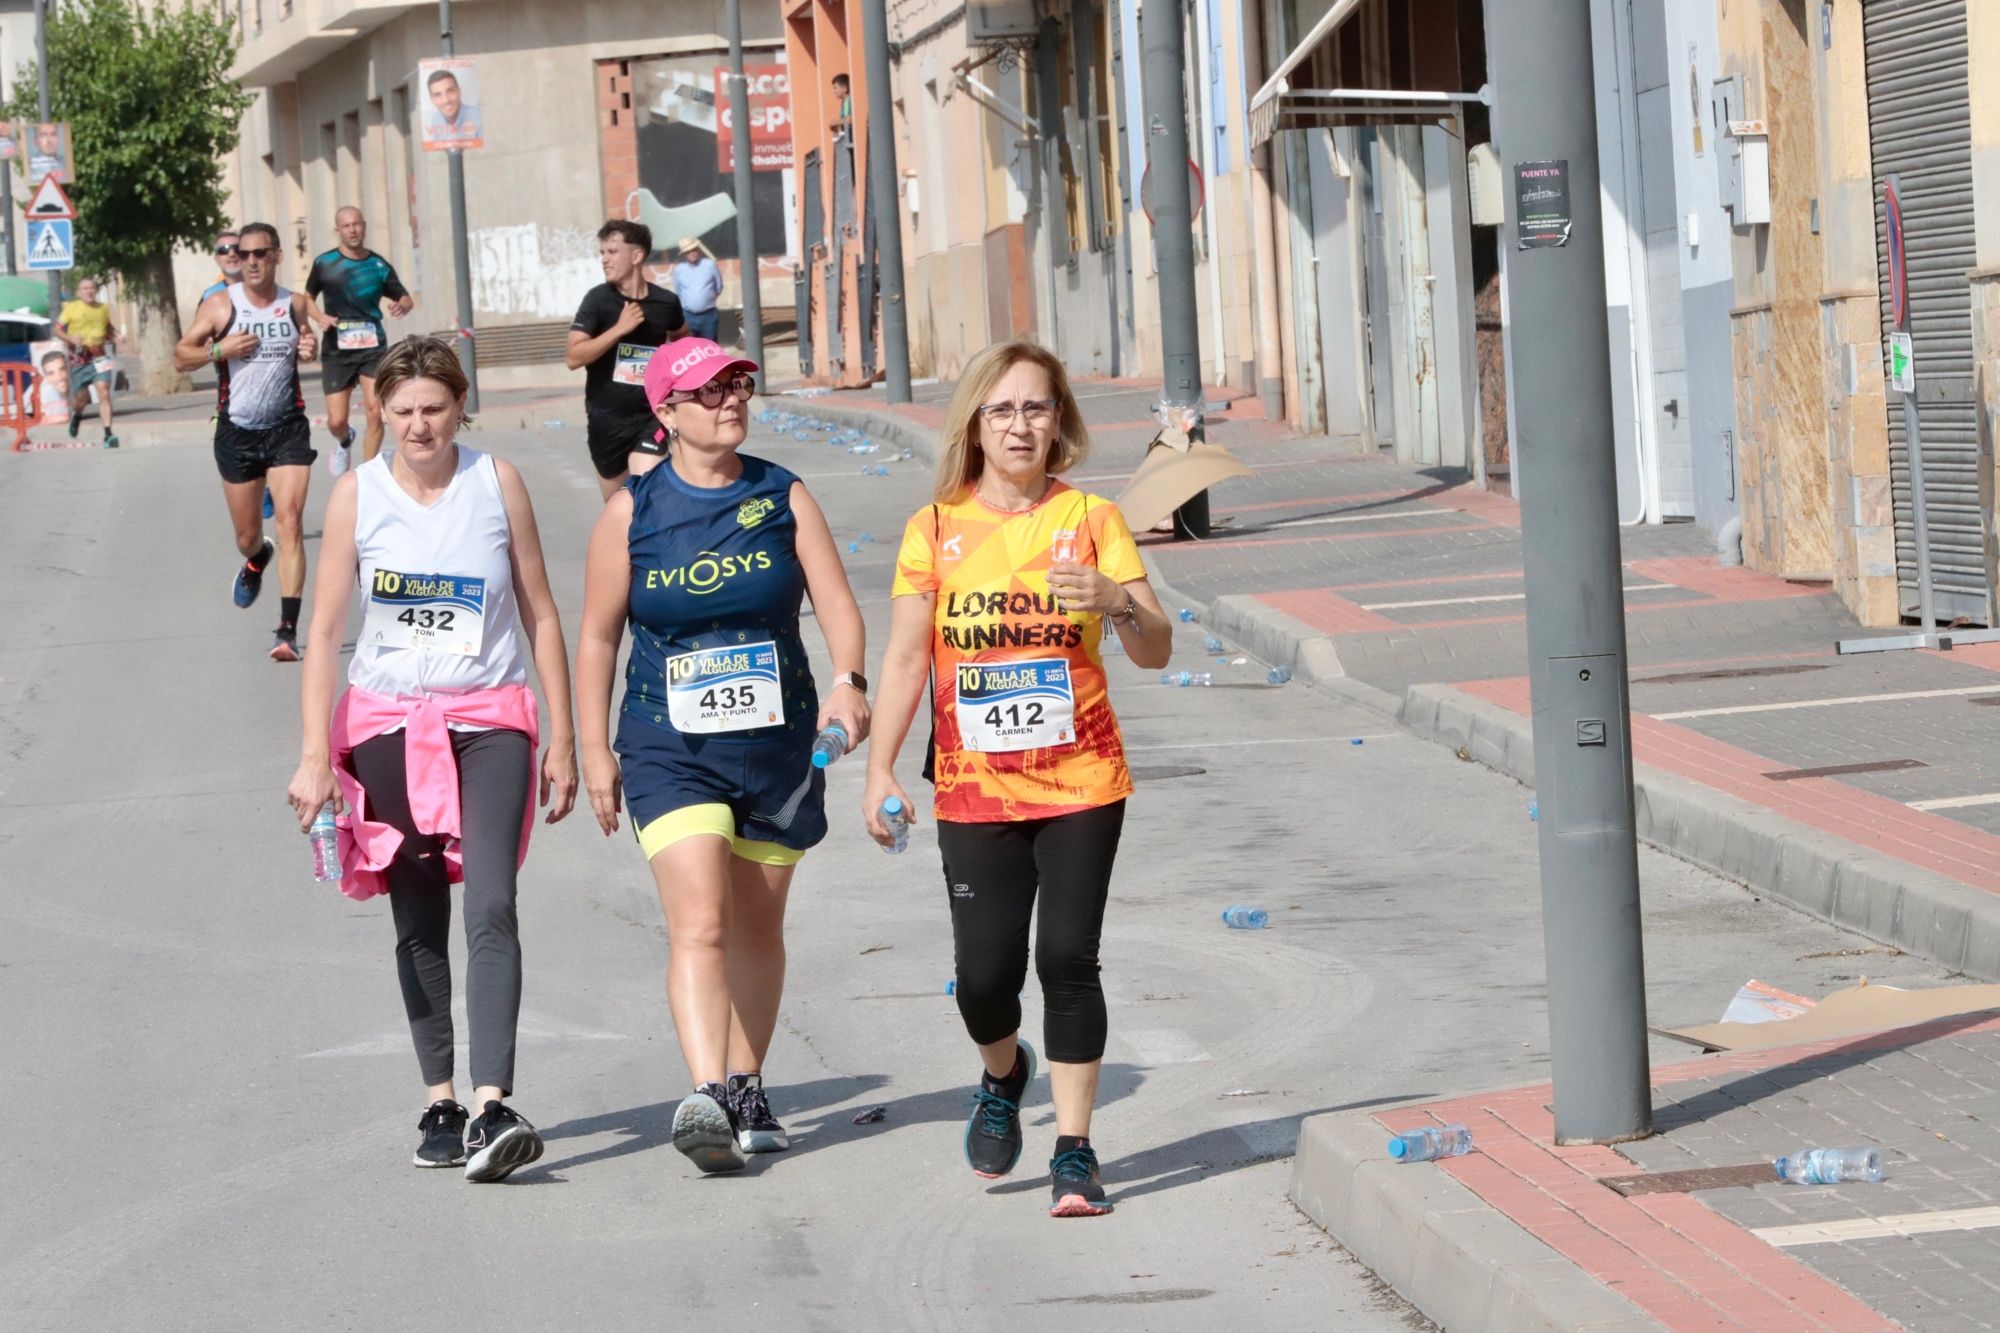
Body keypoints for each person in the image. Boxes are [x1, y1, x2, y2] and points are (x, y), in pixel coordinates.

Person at [863, 340, 1172, 1219]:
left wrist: (1115, 602)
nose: (1020, 425)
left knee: (1067, 958)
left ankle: (1076, 1149)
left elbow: (1156, 648)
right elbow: (904, 658)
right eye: (1002, 409)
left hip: (1082, 776)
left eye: (1036, 407)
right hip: (974, 785)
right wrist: (880, 767)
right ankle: (1005, 1073)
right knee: (985, 975)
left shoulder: (1092, 520)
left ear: (1060, 419)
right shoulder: (933, 529)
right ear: (975, 424)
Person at [287, 336, 579, 1183]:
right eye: (403, 409)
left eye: (435, 408)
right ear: (380, 410)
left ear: (460, 408)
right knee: (415, 912)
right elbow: (327, 635)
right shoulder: (357, 496)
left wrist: (561, 732)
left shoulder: (497, 483)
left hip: (491, 721)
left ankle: (493, 1105)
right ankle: (442, 1099)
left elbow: (543, 614)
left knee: (491, 899)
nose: (419, 425)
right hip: (385, 725)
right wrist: (314, 755)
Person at [576, 336, 869, 1174]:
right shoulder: (631, 512)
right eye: (707, 392)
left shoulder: (783, 494)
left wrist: (849, 682)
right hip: (669, 744)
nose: (730, 400)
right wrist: (594, 746)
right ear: (665, 414)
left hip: (777, 743)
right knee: (701, 918)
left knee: (757, 923)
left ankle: (747, 1082)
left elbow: (838, 605)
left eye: (738, 385)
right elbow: (597, 637)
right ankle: (705, 1094)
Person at [172, 221, 322, 662]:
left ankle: (287, 630)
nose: (252, 261)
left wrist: (309, 349)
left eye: (261, 253)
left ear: (277, 255)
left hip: (287, 427)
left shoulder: (294, 304)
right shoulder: (221, 306)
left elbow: (310, 344)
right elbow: (182, 356)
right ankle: (256, 560)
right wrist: (219, 351)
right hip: (237, 431)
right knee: (247, 535)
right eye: (245, 254)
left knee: (291, 519)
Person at [566, 219, 687, 500]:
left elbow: (683, 338)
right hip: (606, 421)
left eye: (612, 252)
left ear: (636, 256)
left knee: (648, 491)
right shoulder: (597, 301)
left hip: (652, 415)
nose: (604, 259)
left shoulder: (666, 302)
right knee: (619, 507)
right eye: (602, 253)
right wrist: (620, 329)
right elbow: (573, 357)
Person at [307, 206, 415, 475]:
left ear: (364, 226)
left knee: (375, 411)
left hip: (373, 347)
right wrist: (319, 316)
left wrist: (402, 305)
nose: (353, 230)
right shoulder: (325, 263)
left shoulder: (377, 265)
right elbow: (306, 298)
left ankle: (367, 473)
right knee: (336, 420)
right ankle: (344, 440)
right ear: (338, 230)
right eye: (346, 226)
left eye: (356, 224)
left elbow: (405, 297)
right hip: (337, 348)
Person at [55, 277, 124, 449]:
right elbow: (56, 329)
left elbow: (107, 326)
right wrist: (70, 337)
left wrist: (116, 335)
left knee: (104, 391)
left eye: (92, 288)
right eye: (85, 288)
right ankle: (77, 415)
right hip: (79, 357)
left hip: (99, 355)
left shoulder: (103, 308)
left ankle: (108, 434)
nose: (89, 291)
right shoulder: (71, 308)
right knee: (82, 399)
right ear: (79, 292)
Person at [671, 237, 723, 343]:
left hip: (708, 316)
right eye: (688, 251)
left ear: (698, 250)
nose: (692, 253)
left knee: (710, 347)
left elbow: (719, 286)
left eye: (694, 250)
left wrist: (706, 300)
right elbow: (679, 291)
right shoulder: (679, 270)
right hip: (688, 316)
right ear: (684, 254)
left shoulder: (709, 265)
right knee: (690, 348)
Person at [423, 67, 482, 145]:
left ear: (459, 92)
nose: (446, 100)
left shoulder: (478, 116)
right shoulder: (436, 120)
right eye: (438, 95)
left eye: (450, 91)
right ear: (432, 100)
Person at [200, 231, 244, 304]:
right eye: (223, 250)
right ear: (216, 259)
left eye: (236, 248)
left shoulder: (261, 290)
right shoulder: (209, 295)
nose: (232, 254)